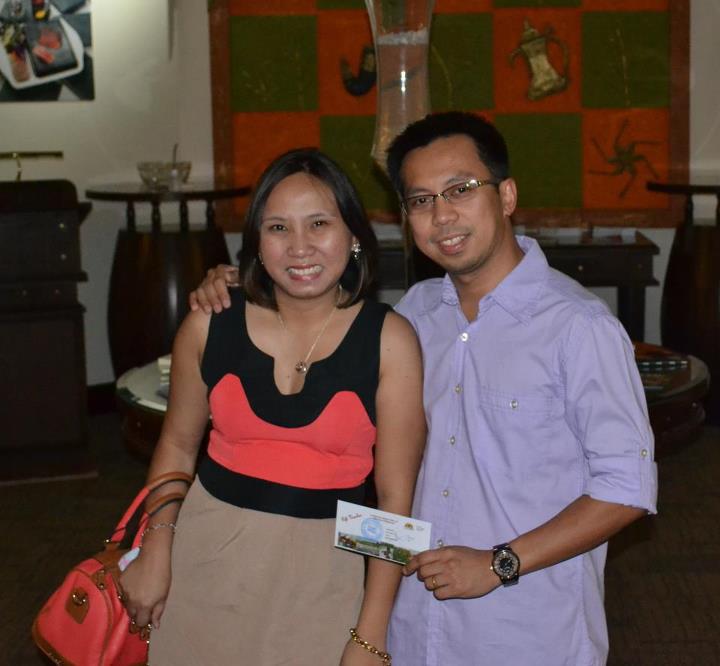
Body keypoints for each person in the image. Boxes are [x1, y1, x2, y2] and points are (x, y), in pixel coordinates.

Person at [190, 112, 658, 665]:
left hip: (524, 630)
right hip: (409, 623)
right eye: (420, 200)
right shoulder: (411, 318)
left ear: (507, 195)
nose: (442, 215)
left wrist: (499, 563)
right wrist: (241, 285)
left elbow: (627, 487)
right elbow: (388, 480)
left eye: (461, 190)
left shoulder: (578, 326)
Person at [120, 148, 426, 665]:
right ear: (257, 243)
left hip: (323, 579)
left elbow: (395, 499)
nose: (299, 246)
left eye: (319, 223)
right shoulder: (210, 322)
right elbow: (176, 447)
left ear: (353, 235)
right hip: (202, 565)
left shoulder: (390, 339)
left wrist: (371, 634)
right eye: (278, 227)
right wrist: (156, 547)